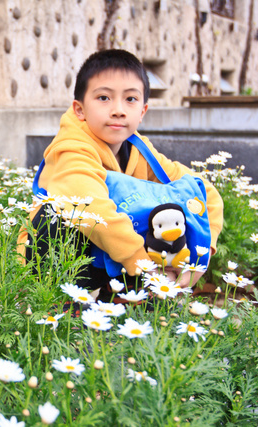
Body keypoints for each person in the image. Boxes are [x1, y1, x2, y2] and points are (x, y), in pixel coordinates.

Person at [17, 49, 223, 301]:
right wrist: (146, 268)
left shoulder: (142, 151)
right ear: (79, 109)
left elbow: (203, 191)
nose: (118, 110)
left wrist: (200, 256)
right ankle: (55, 303)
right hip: (50, 260)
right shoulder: (70, 148)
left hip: (117, 259)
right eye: (104, 98)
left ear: (143, 110)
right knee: (65, 215)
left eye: (130, 99)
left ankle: (120, 299)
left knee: (171, 210)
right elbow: (94, 210)